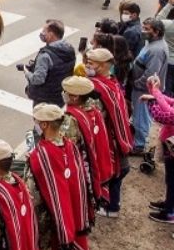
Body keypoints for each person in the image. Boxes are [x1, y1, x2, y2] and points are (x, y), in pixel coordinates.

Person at [27, 103, 90, 250]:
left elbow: (32, 193)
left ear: (44, 125)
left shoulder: (40, 155)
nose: (35, 124)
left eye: (36, 121)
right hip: (73, 214)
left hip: (51, 218)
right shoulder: (70, 147)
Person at [85, 48, 133, 218]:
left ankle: (110, 205)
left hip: (109, 137)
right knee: (119, 170)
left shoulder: (98, 88)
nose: (87, 66)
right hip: (119, 135)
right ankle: (113, 204)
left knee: (113, 171)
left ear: (103, 65)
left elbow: (95, 113)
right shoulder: (112, 82)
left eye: (91, 63)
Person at [60, 76, 113, 216]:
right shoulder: (93, 110)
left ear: (75, 97)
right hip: (91, 161)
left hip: (80, 168)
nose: (63, 94)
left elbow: (65, 148)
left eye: (65, 92)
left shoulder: (71, 119)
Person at [130, 17, 169, 154]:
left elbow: (151, 74)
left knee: (141, 117)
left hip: (144, 89)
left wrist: (137, 83)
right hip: (141, 87)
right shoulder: (151, 43)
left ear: (156, 32)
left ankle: (139, 146)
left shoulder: (157, 50)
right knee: (138, 115)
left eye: (147, 29)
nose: (143, 31)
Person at [141, 75, 174, 224]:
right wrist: (154, 92)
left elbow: (165, 115)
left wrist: (154, 96)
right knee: (170, 179)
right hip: (170, 145)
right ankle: (169, 203)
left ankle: (170, 213)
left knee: (173, 180)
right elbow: (171, 102)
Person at [24, 19, 75, 106]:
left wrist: (27, 72)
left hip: (44, 99)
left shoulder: (45, 55)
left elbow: (37, 79)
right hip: (60, 97)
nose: (42, 33)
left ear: (51, 35)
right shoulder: (69, 49)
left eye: (44, 31)